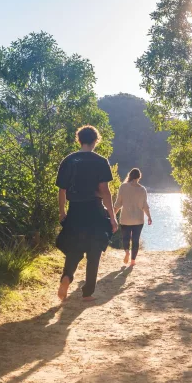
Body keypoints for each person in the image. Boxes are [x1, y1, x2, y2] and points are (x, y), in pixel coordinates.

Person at [55, 125, 118, 302]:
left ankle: (67, 277)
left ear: (79, 139)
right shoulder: (100, 161)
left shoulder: (69, 160)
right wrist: (112, 218)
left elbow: (62, 190)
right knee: (94, 249)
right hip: (94, 210)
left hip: (75, 210)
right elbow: (105, 191)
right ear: (96, 140)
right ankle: (87, 292)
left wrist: (62, 212)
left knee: (74, 248)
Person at [114, 168, 152, 266]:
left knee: (125, 238)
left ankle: (127, 251)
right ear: (139, 177)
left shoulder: (123, 187)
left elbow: (118, 204)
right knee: (136, 239)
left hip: (125, 219)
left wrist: (113, 215)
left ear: (130, 175)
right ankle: (133, 261)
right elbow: (145, 205)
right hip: (138, 220)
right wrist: (149, 217)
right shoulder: (142, 189)